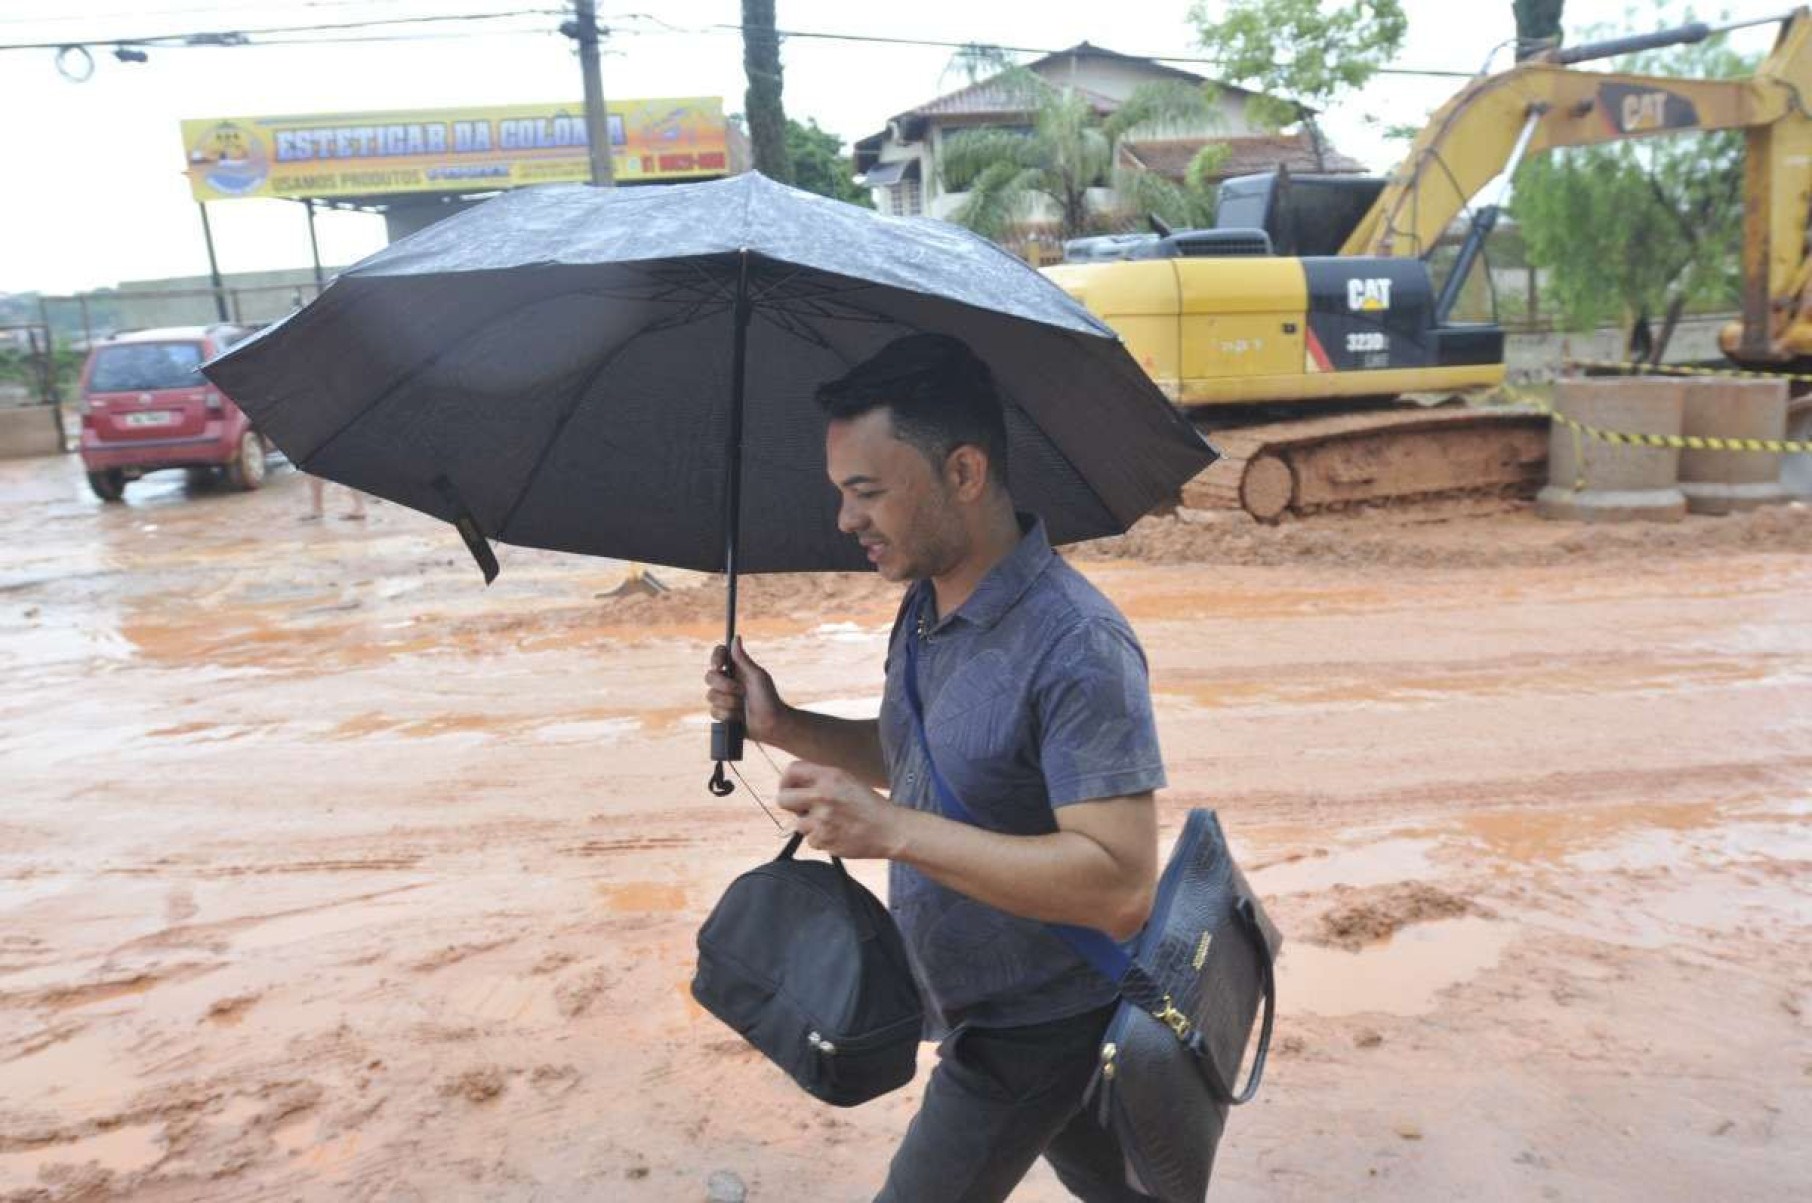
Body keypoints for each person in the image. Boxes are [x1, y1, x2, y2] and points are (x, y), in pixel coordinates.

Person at [704, 333, 1166, 1202]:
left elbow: (1119, 886)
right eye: (841, 492)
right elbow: (926, 759)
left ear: (963, 472)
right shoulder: (925, 604)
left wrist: (890, 832)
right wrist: (781, 723)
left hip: (1037, 1021)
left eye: (866, 491)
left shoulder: (1076, 644)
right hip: (972, 1001)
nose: (845, 520)